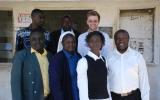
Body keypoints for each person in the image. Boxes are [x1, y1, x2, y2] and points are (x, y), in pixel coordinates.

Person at [107, 29, 150, 100]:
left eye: (124, 38)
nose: (121, 41)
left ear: (128, 40)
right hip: (114, 97)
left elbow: (144, 81)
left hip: (133, 96)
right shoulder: (108, 57)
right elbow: (105, 81)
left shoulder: (137, 56)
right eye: (118, 38)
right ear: (114, 40)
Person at [11, 29, 53, 100]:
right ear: (30, 41)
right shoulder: (21, 56)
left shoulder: (50, 56)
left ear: (44, 40)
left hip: (49, 97)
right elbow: (16, 83)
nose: (38, 42)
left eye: (40, 39)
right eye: (34, 39)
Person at [77, 31, 110, 100]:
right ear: (88, 44)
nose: (95, 43)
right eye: (92, 41)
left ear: (102, 43)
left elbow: (106, 83)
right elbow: (82, 87)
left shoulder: (104, 60)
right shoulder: (83, 62)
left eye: (98, 41)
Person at [49, 32, 81, 100]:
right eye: (68, 42)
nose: (71, 44)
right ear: (62, 44)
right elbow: (55, 84)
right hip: (66, 95)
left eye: (73, 42)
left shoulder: (79, 56)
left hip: (79, 94)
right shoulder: (57, 59)